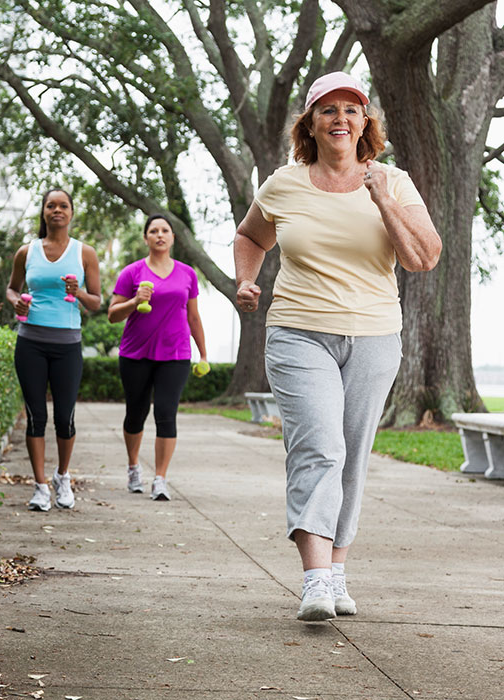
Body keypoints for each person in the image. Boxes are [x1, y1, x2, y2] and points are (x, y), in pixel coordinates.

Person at [233, 72, 442, 621]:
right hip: (298, 332)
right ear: (311, 123)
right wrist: (245, 280)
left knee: (352, 454)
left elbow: (423, 258)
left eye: (352, 109)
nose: (341, 118)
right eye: (328, 110)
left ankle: (337, 570)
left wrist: (382, 200)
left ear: (365, 122)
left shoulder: (392, 182)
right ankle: (315, 579)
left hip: (375, 335)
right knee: (319, 447)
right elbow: (251, 236)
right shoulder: (283, 183)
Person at [7, 188, 101, 512]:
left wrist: (79, 293)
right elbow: (11, 288)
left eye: (63, 205)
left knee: (64, 417)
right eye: (51, 205)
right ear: (44, 212)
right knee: (36, 416)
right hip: (30, 343)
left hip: (67, 346)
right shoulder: (26, 251)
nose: (57, 210)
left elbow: (97, 301)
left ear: (71, 213)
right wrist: (15, 301)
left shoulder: (84, 253)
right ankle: (40, 487)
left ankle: (62, 476)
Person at [108, 213, 207, 501]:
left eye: (165, 230)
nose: (160, 235)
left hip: (175, 354)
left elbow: (193, 316)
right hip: (136, 353)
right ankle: (133, 467)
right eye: (153, 231)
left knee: (166, 414)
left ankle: (160, 479)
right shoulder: (132, 273)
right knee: (136, 414)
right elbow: (113, 314)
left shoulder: (187, 273)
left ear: (173, 237)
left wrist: (203, 352)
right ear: (146, 238)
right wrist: (134, 301)